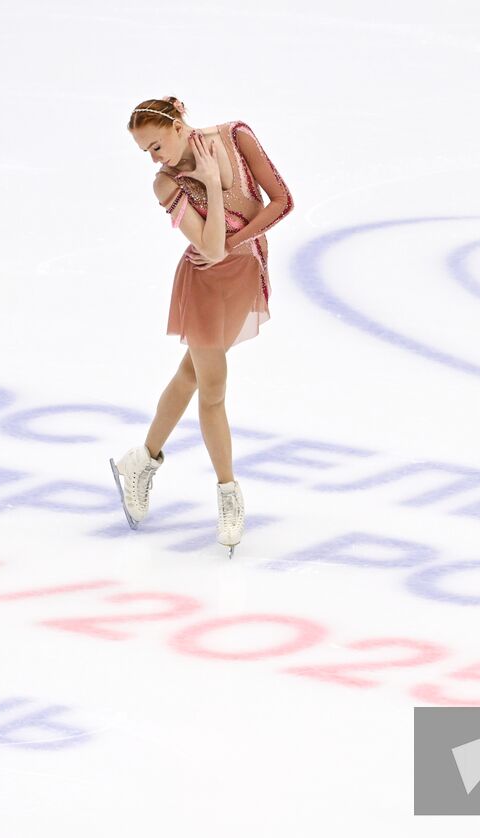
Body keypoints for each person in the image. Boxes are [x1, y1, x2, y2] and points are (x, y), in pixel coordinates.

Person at [112, 96, 293, 557]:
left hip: (246, 274)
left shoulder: (236, 136)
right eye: (146, 152)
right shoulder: (165, 184)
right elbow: (211, 251)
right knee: (212, 391)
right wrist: (211, 186)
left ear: (177, 127)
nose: (155, 158)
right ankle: (228, 493)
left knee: (191, 374)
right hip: (205, 286)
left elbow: (283, 202)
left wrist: (236, 239)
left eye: (156, 145)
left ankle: (142, 460)